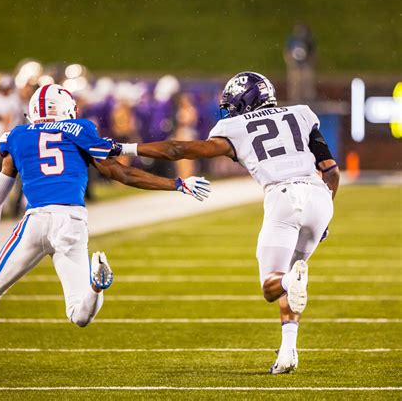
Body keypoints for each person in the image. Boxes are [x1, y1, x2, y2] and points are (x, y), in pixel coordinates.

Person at [0, 83, 210, 375]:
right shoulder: (80, 129)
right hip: (71, 222)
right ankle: (95, 285)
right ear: (66, 108)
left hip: (35, 221)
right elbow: (122, 173)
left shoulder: (15, 137)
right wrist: (176, 184)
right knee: (79, 315)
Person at [113, 72, 340, 374]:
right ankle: (288, 352)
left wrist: (126, 149)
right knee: (295, 280)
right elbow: (331, 171)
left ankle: (288, 281)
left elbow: (179, 149)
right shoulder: (300, 114)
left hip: (283, 197)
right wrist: (324, 215)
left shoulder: (234, 126)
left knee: (274, 285)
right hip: (319, 197)